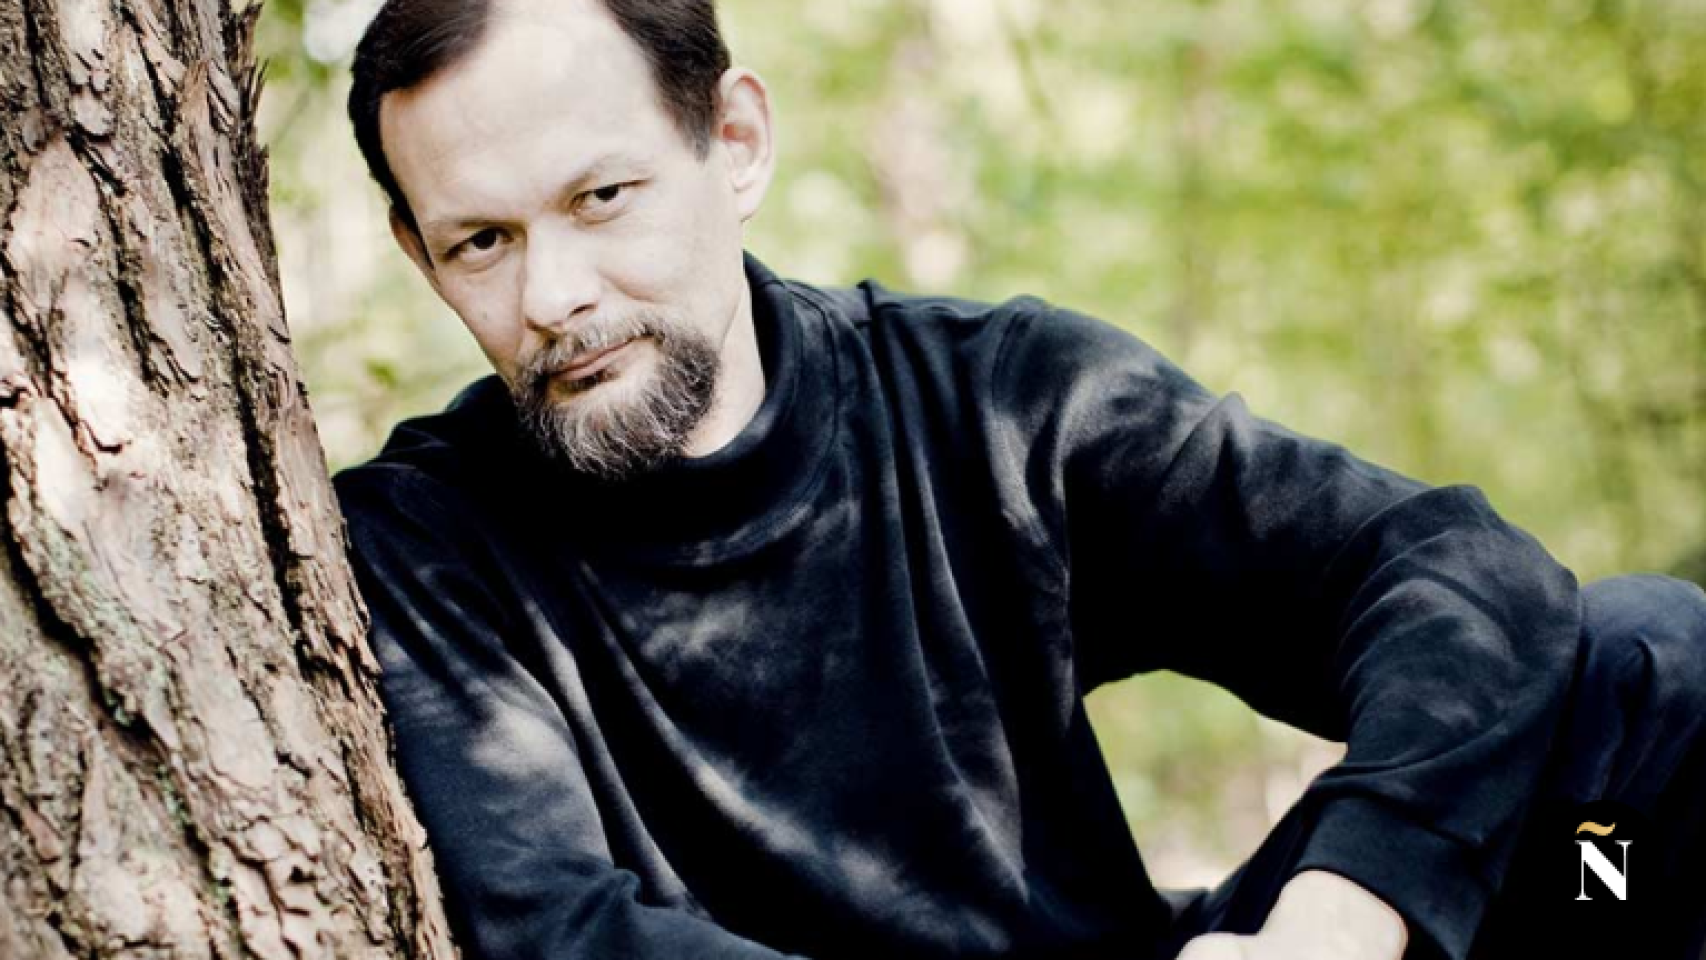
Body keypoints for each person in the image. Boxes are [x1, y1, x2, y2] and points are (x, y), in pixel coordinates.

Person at [331, 0, 1706, 957]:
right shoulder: (419, 548)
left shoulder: (994, 403)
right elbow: (562, 935)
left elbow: (1451, 574)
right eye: (481, 243)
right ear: (417, 254)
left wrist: (1338, 919)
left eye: (600, 198)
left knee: (1643, 683)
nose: (554, 295)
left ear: (733, 143)